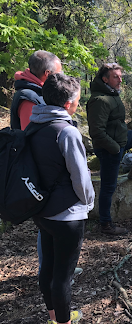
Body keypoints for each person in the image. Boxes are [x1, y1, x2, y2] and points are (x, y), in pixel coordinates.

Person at [28, 73, 97, 324]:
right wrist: (88, 203)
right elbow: (80, 177)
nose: (78, 105)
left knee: (48, 268)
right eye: (77, 101)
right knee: (63, 275)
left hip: (41, 209)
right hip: (67, 214)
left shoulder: (33, 125)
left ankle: (55, 317)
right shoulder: (66, 131)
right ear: (69, 103)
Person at [9, 50, 83, 282]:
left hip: (45, 176)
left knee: (48, 228)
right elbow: (34, 139)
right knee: (48, 227)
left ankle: (55, 271)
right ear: (48, 73)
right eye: (59, 73)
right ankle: (50, 274)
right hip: (40, 178)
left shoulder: (36, 93)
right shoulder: (29, 98)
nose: (63, 77)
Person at [87, 63, 132, 235]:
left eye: (120, 76)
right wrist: (116, 149)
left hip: (121, 141)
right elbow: (96, 132)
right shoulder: (99, 100)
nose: (120, 79)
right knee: (109, 186)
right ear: (105, 79)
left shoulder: (112, 94)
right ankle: (106, 225)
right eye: (115, 76)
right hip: (110, 149)